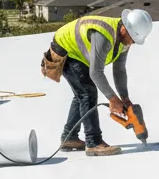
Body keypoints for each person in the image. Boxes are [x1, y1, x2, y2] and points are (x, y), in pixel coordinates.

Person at [41, 9, 153, 156]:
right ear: (124, 28)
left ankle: (69, 138)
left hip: (80, 54)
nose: (132, 43)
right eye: (132, 38)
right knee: (87, 92)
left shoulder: (124, 40)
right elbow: (96, 73)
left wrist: (124, 98)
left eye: (135, 40)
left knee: (82, 94)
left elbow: (119, 70)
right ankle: (93, 143)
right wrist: (113, 99)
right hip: (66, 50)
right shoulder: (104, 36)